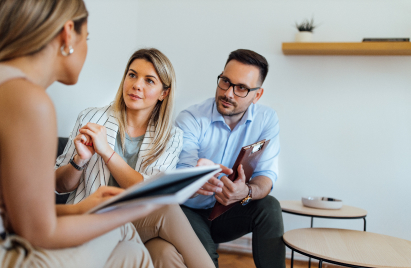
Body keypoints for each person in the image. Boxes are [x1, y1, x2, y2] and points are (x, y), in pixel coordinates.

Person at [0, 0, 160, 267]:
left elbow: (19, 217)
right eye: (86, 38)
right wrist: (132, 209)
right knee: (122, 230)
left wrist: (80, 208)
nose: (136, 86)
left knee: (130, 254)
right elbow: (38, 232)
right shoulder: (29, 100)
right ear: (68, 33)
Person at [54, 48, 214, 268]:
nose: (137, 85)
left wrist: (107, 152)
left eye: (149, 81)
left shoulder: (171, 137)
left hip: (136, 223)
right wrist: (79, 160)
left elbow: (150, 193)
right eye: (132, 75)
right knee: (166, 217)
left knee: (164, 252)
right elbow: (59, 186)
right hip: (90, 219)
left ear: (163, 93)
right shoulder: (91, 117)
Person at [175, 49, 286, 268]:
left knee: (270, 207)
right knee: (206, 258)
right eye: (225, 81)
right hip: (188, 209)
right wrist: (198, 179)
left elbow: (266, 176)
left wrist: (246, 192)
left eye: (242, 88)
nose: (228, 93)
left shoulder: (266, 120)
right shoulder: (191, 118)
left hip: (228, 211)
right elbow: (182, 169)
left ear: (257, 95)